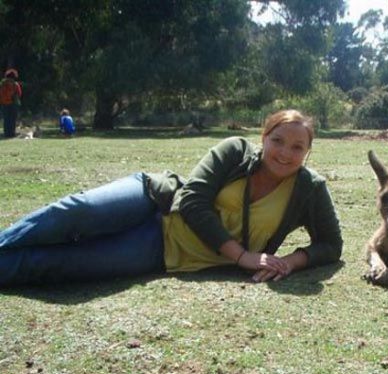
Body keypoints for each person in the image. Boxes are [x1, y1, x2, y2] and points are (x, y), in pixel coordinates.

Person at [0, 109, 343, 286]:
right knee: (75, 213)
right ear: (264, 137)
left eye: (298, 147)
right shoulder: (236, 150)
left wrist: (288, 262)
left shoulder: (309, 189)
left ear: (308, 152)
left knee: (57, 264)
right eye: (278, 140)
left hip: (161, 250)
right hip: (152, 199)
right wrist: (241, 256)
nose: (285, 153)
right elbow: (191, 199)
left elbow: (331, 244)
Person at [0, 68, 22, 138]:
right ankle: (11, 134)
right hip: (12, 104)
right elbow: (19, 94)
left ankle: (7, 134)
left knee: (7, 119)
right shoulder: (15, 84)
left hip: (5, 104)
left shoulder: (2, 84)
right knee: (12, 119)